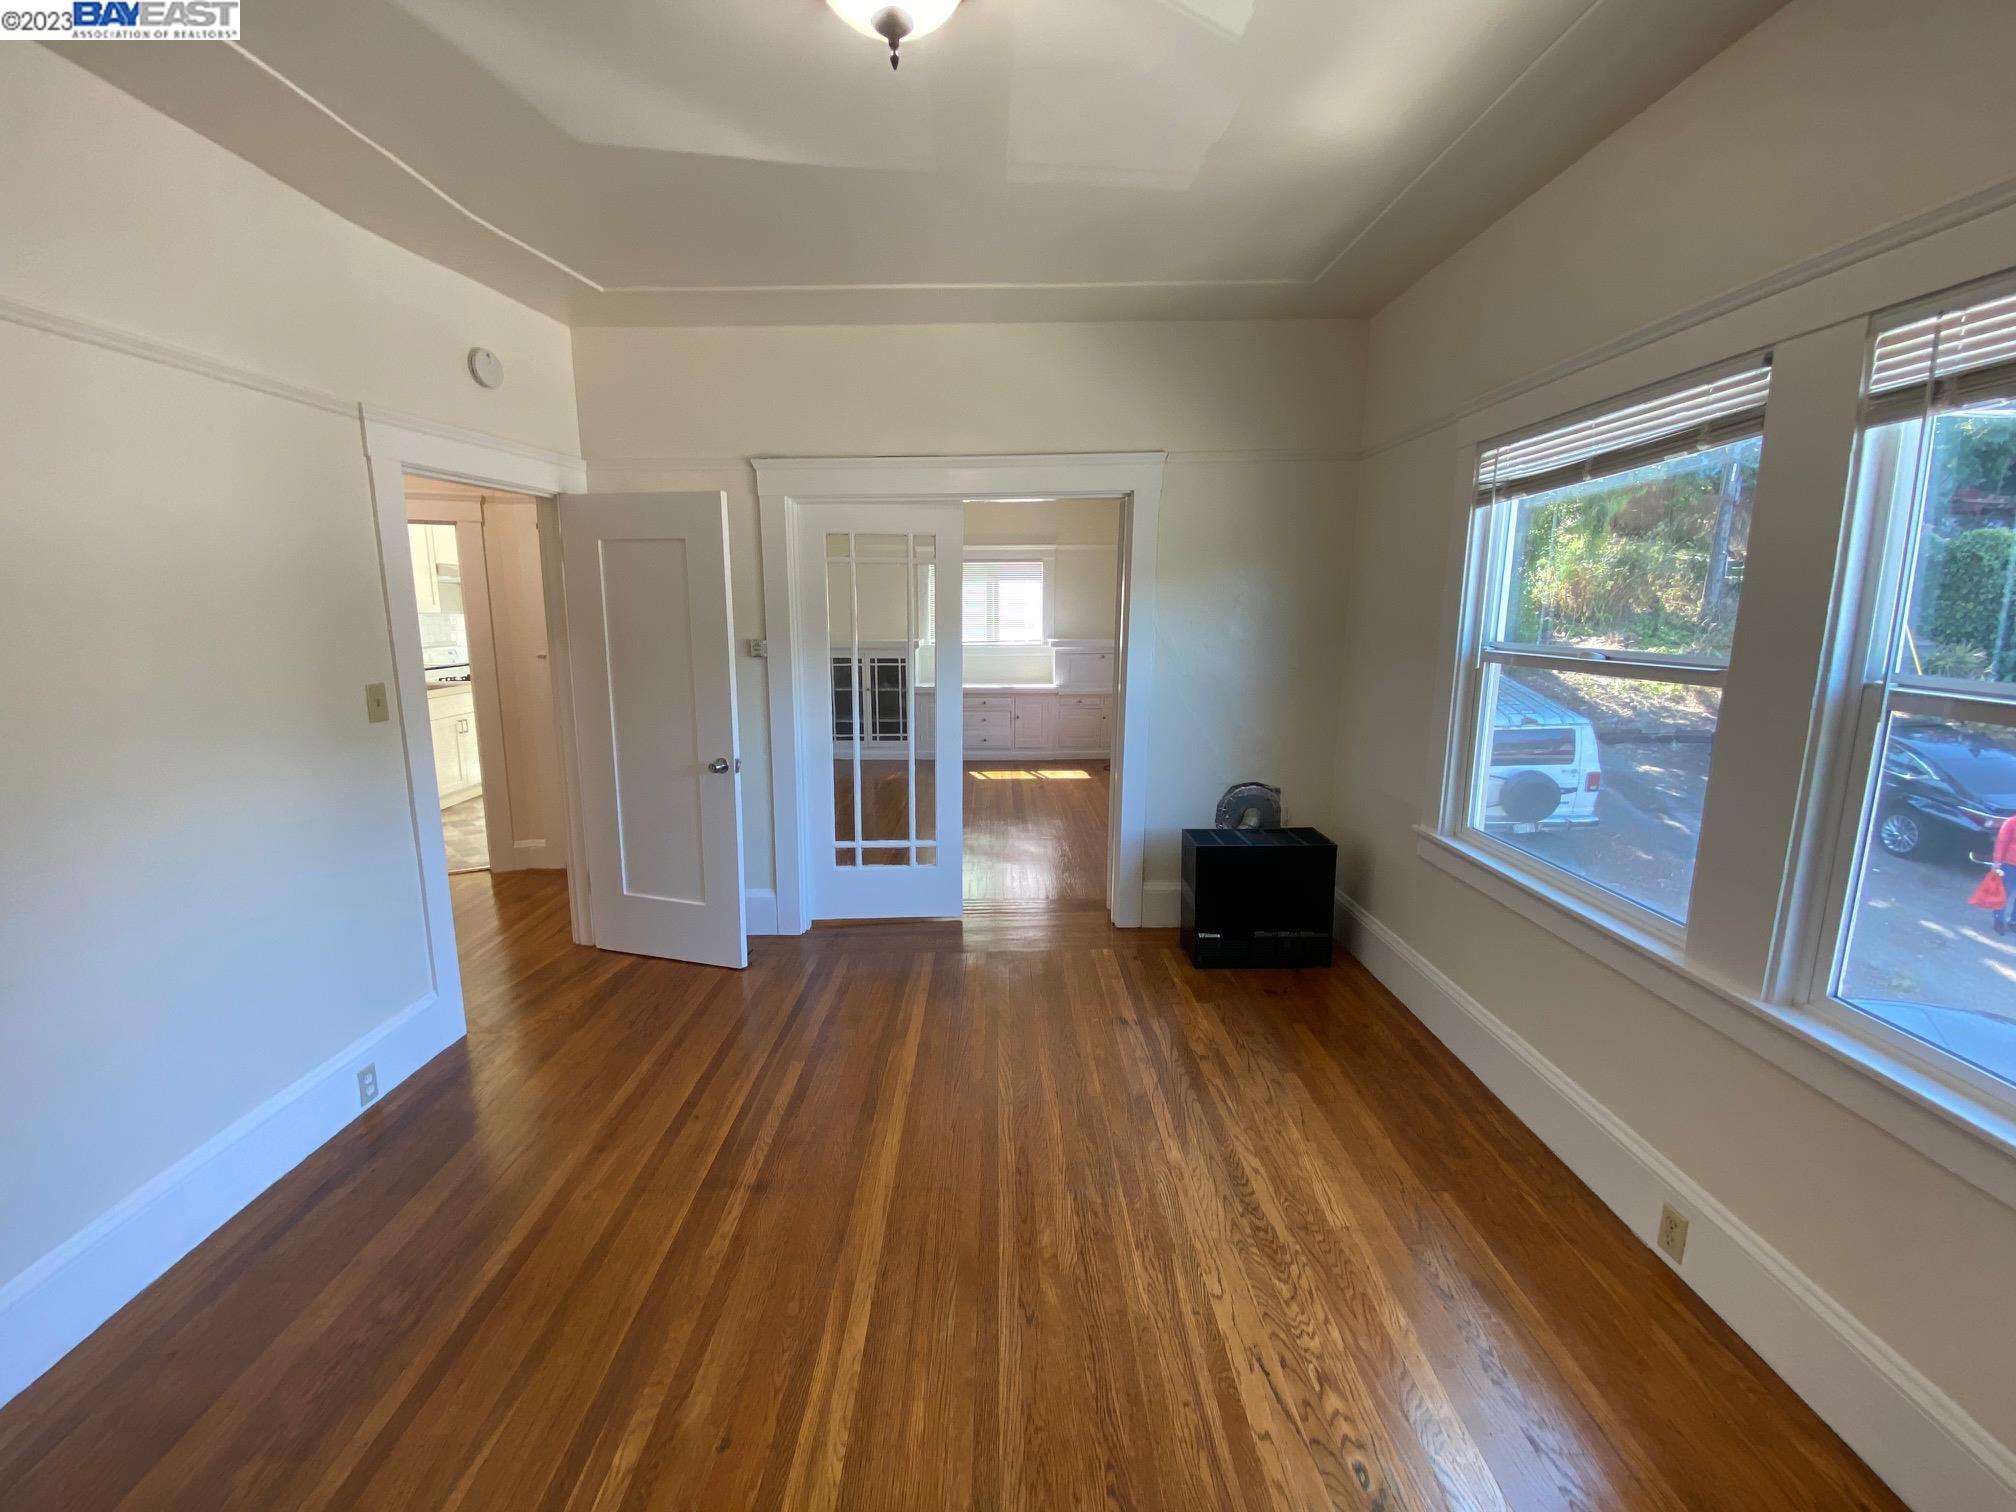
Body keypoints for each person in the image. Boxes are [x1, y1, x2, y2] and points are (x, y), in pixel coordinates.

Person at [1997, 812, 2016, 935]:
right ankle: (1999, 921)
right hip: (2010, 864)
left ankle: (2013, 921)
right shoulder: (2011, 822)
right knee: (2004, 894)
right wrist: (1997, 861)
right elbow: (2001, 842)